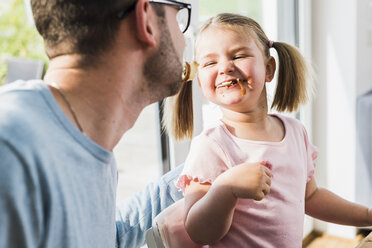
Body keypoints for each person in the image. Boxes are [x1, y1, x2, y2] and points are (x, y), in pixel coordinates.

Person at [164, 13, 372, 247]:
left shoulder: (295, 132)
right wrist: (226, 188)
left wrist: (367, 215)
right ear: (201, 83)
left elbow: (311, 197)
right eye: (210, 62)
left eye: (239, 55)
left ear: (269, 68)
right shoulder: (211, 145)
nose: (225, 67)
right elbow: (199, 233)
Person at [0, 0, 190, 247]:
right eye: (178, 15)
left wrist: (201, 169)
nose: (185, 40)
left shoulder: (87, 143)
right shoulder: (12, 151)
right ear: (146, 20)